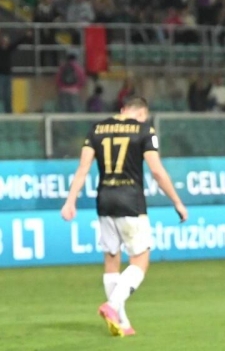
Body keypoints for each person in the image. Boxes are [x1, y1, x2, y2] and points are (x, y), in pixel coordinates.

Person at [61, 96, 188, 337]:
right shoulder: (144, 130)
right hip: (131, 201)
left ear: (122, 110)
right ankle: (112, 305)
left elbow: (83, 168)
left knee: (111, 260)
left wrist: (70, 201)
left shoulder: (97, 129)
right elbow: (157, 171)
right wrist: (177, 202)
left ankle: (122, 322)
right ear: (142, 114)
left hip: (105, 201)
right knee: (140, 259)